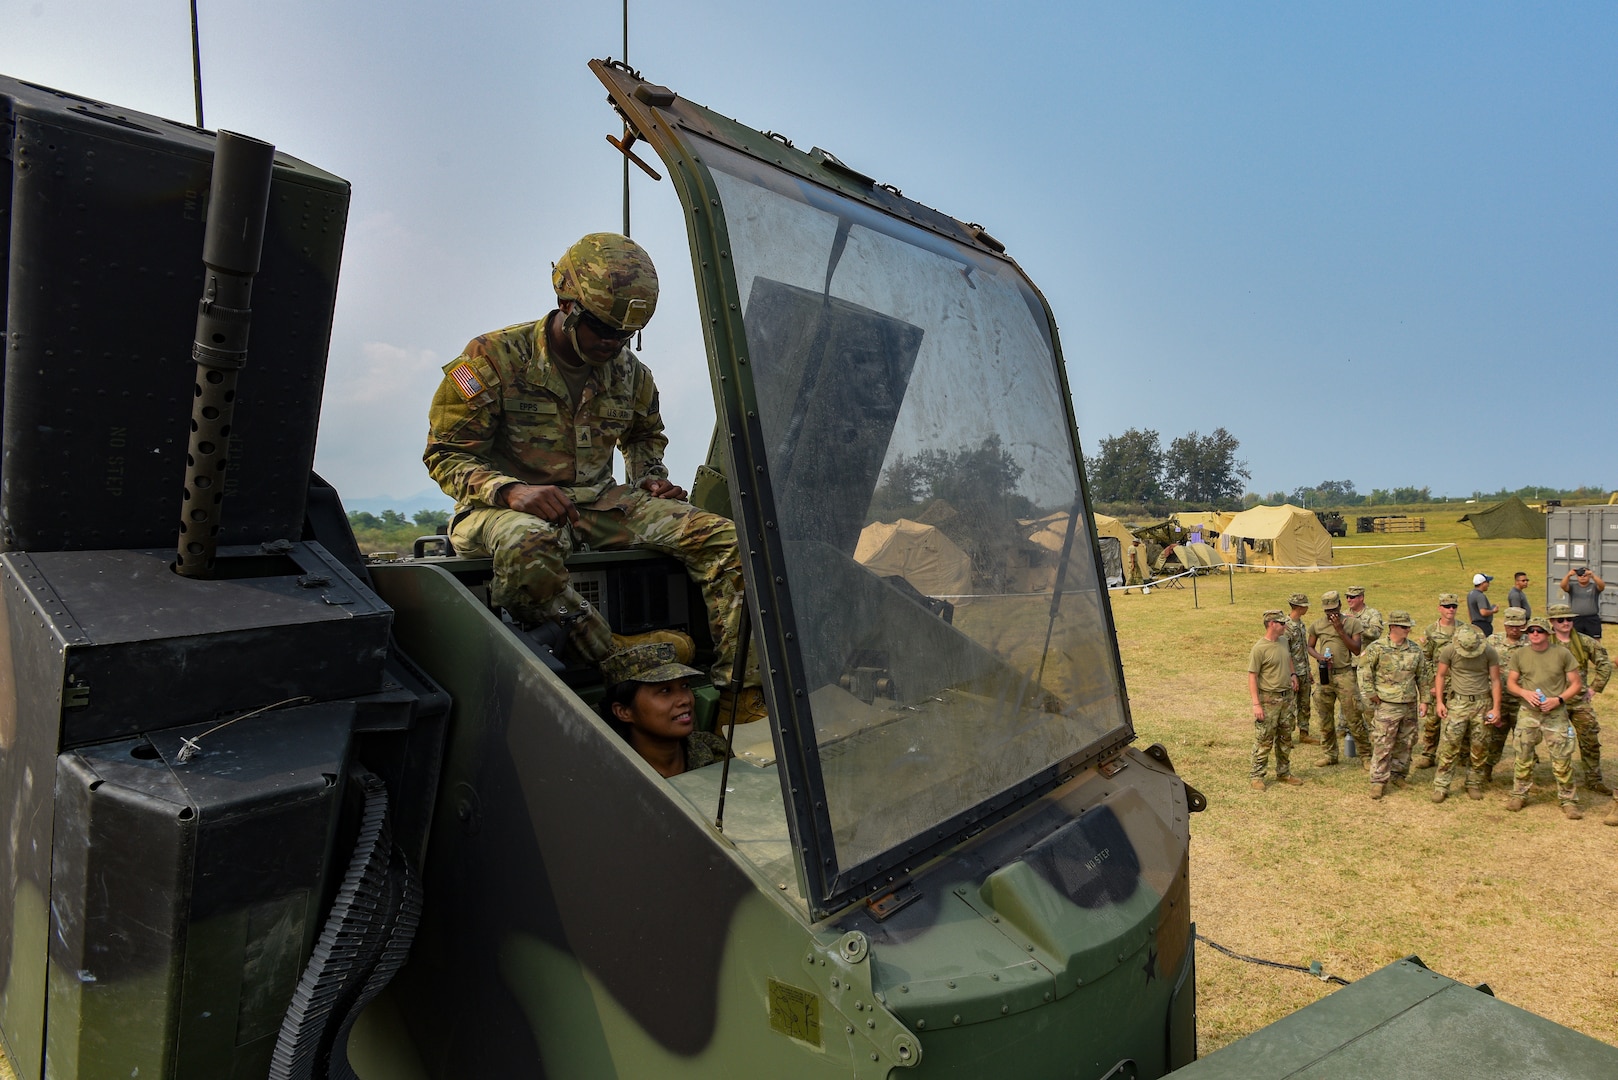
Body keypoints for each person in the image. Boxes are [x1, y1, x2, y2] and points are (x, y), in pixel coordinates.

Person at [424, 232, 765, 721]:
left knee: (728, 540)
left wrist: (650, 478)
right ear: (567, 305)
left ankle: (738, 693)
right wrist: (513, 490)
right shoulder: (491, 359)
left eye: (625, 336)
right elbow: (446, 455)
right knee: (527, 544)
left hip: (598, 504)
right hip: (497, 511)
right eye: (603, 329)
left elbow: (646, 434)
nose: (612, 344)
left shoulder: (631, 374)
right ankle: (612, 654)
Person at [599, 643, 731, 777]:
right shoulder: (613, 776)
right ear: (623, 712)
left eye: (685, 686)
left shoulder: (715, 751)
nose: (685, 700)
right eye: (665, 691)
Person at [1505, 617, 1584, 818]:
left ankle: (1568, 800)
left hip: (1555, 713)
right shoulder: (1520, 654)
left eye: (1539, 631)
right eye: (1530, 631)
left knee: (1561, 757)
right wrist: (1525, 693)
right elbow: (1511, 684)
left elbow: (1576, 684)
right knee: (1523, 754)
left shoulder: (1562, 654)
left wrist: (1558, 699)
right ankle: (1519, 794)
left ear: (1547, 633)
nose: (1534, 634)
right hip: (1528, 712)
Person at [1357, 610, 1431, 800]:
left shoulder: (1415, 650)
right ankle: (1378, 781)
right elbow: (1364, 671)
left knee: (1406, 742)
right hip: (1387, 704)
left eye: (1409, 627)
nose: (1408, 630)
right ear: (1392, 627)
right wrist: (1371, 694)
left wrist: (1425, 700)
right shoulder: (1377, 648)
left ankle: (1399, 775)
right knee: (1383, 742)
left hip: (1408, 704)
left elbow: (1422, 677)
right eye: (1404, 627)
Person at [1547, 602, 1612, 796]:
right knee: (1553, 742)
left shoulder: (1585, 642)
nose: (1566, 623)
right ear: (1552, 622)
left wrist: (1594, 688)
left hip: (1579, 702)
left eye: (1569, 619)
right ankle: (1556, 780)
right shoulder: (1545, 642)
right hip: (1554, 702)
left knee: (1590, 739)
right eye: (1561, 620)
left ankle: (1594, 779)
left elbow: (1604, 664)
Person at [1431, 625, 1501, 802]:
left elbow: (1495, 680)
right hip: (1458, 703)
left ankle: (1474, 783)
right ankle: (1441, 785)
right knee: (1450, 745)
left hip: (1482, 703)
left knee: (1480, 746)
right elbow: (1440, 675)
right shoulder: (1449, 650)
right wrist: (1440, 702)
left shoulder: (1489, 652)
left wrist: (1496, 708)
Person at [1307, 590, 1367, 768]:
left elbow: (1356, 649)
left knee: (1353, 716)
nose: (1330, 613)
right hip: (1326, 674)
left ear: (1340, 605)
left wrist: (1340, 630)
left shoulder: (1352, 623)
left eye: (1333, 609)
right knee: (1325, 717)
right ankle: (1330, 753)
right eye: (1327, 610)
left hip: (1345, 674)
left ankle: (1365, 754)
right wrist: (1320, 657)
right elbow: (1309, 646)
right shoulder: (1317, 625)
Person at [1248, 610, 1304, 791]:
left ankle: (1284, 772)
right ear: (1272, 624)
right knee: (1265, 739)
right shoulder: (1259, 649)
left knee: (1285, 737)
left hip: (1286, 697)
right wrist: (1256, 704)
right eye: (1281, 623)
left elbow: (1287, 659)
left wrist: (1293, 674)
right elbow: (1252, 677)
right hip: (1268, 699)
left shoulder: (1283, 641)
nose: (1285, 626)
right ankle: (1257, 775)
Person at [1414, 593, 1463, 769]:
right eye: (1447, 606)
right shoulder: (1431, 630)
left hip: (1458, 682)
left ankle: (1461, 755)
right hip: (1439, 681)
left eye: (1454, 606)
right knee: (1432, 721)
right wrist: (1433, 683)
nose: (1451, 609)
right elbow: (1426, 659)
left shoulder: (1463, 629)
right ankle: (1429, 754)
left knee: (1459, 720)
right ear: (1440, 608)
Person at [1484, 607, 1530, 780]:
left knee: (1524, 741)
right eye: (1511, 625)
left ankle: (1523, 777)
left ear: (1524, 625)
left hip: (1523, 701)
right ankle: (1486, 771)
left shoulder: (1531, 643)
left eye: (1518, 626)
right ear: (1504, 624)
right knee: (1493, 739)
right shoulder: (1492, 641)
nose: (1515, 629)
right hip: (1498, 700)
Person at [1345, 585, 1383, 716]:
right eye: (1347, 597)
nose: (1349, 600)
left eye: (1352, 597)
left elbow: (1376, 633)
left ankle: (1371, 727)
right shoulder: (1344, 614)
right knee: (1349, 698)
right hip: (1349, 662)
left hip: (1367, 663)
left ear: (1361, 598)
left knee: (1367, 698)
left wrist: (1357, 623)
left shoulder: (1372, 614)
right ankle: (1348, 729)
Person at [1284, 593, 1314, 743]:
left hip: (1303, 670)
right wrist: (1292, 674)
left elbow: (1303, 649)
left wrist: (1308, 671)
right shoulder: (1286, 626)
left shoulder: (1301, 624)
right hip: (1293, 672)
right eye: (1305, 606)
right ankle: (1286, 736)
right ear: (1298, 607)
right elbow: (1286, 652)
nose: (1306, 608)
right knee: (1290, 705)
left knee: (1305, 703)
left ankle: (1304, 733)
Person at [1559, 566, 1606, 639]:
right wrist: (1568, 575)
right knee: (1575, 640)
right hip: (1576, 619)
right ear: (1577, 577)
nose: (1582, 577)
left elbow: (1602, 586)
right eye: (1580, 575)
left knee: (1595, 641)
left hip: (1592, 619)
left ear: (1589, 576)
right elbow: (1563, 586)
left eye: (1585, 575)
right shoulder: (1573, 587)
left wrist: (1593, 575)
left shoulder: (1594, 587)